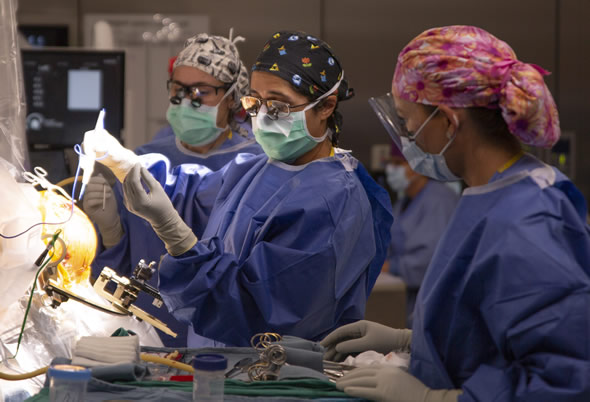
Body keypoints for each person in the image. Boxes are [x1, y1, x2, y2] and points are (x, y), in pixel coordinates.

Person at [321, 25, 590, 401]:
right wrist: (411, 341)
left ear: (448, 121)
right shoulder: (489, 195)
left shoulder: (528, 221)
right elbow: (490, 334)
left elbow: (565, 383)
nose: (407, 134)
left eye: (407, 119)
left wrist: (439, 399)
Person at [83, 31, 393, 348]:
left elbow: (257, 316)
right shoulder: (260, 167)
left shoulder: (331, 202)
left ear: (326, 106)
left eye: (278, 104)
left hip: (273, 381)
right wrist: (126, 164)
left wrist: (176, 235)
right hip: (223, 369)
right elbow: (194, 191)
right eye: (255, 101)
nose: (261, 116)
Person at [83, 32, 262, 347]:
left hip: (230, 339)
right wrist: (112, 233)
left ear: (232, 98)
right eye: (178, 89)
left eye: (201, 92)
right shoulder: (148, 156)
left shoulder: (256, 165)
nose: (185, 100)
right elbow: (124, 276)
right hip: (155, 336)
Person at [384, 144, 458, 327]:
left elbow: (430, 261)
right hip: (412, 300)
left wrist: (391, 267)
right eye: (391, 163)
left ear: (417, 166)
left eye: (399, 163)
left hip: (436, 302)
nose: (392, 169)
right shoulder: (405, 202)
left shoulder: (439, 200)